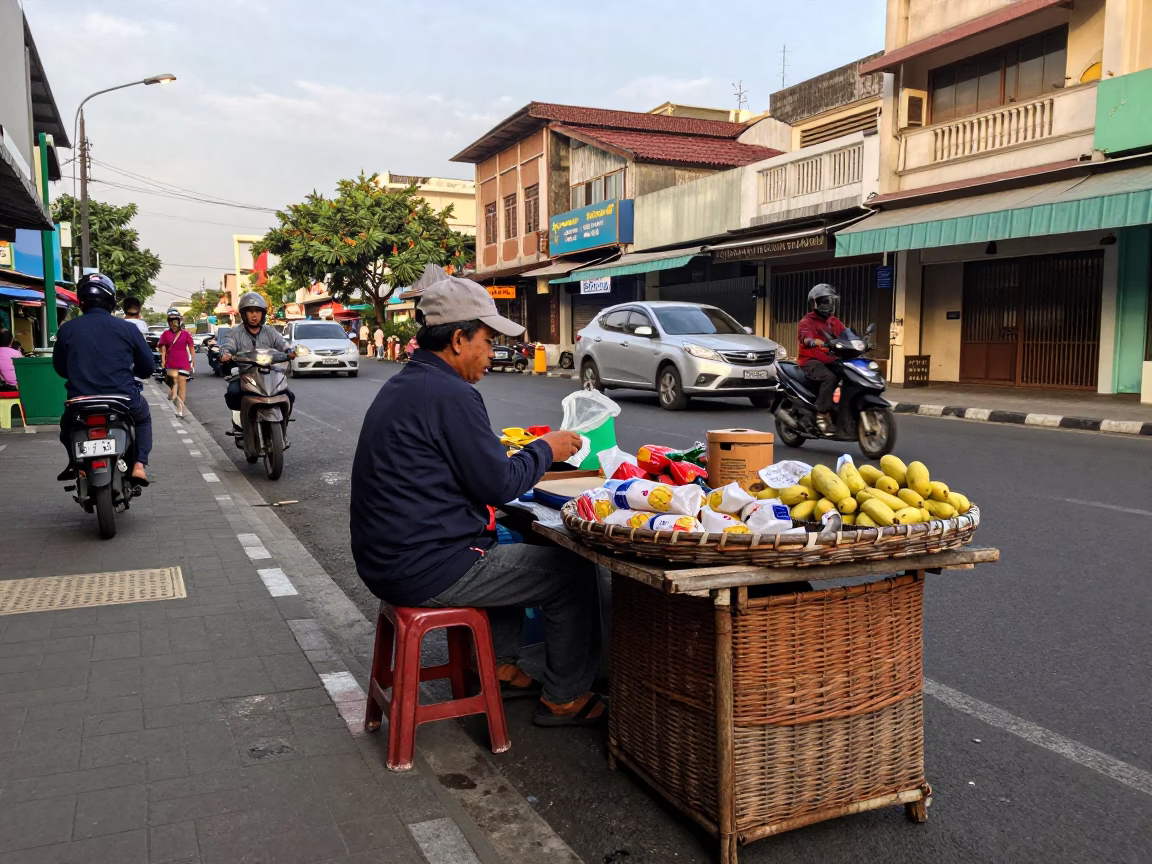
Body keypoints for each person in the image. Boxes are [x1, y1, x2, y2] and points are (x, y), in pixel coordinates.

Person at [350, 273, 605, 727]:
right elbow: (499, 484)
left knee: (505, 541)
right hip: (422, 565)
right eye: (487, 341)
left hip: (388, 557)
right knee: (572, 572)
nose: (492, 353)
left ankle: (502, 667)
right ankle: (565, 697)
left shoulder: (409, 383)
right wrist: (547, 449)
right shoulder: (451, 393)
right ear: (457, 339)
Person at [52, 273, 154, 485]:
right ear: (111, 300)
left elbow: (60, 369)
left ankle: (75, 463)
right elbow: (147, 368)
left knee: (66, 426)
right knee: (143, 418)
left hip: (80, 402)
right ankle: (139, 465)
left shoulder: (66, 330)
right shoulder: (128, 328)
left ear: (81, 301)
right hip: (123, 400)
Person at [218, 292, 294, 423]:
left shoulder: (270, 331)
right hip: (245, 374)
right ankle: (239, 423)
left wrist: (290, 351)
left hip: (269, 374)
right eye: (250, 311)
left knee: (289, 395)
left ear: (262, 314)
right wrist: (226, 353)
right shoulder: (234, 333)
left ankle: (283, 425)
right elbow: (227, 345)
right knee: (233, 394)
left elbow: (282, 343)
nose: (254, 315)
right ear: (244, 314)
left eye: (258, 311)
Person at [797, 283, 847, 435]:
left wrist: (859, 341)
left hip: (831, 359)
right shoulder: (806, 321)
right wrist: (812, 341)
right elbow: (804, 337)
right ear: (814, 303)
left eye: (830, 301)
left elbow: (846, 335)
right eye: (825, 301)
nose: (829, 305)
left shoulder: (834, 321)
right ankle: (822, 413)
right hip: (811, 360)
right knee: (829, 378)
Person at [158, 309, 194, 418]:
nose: (173, 322)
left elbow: (192, 348)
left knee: (181, 387)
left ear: (179, 321)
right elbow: (163, 350)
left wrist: (193, 363)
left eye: (175, 320)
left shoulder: (186, 334)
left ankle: (180, 411)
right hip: (170, 364)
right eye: (171, 320)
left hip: (183, 364)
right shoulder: (165, 334)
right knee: (173, 385)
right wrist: (163, 362)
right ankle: (171, 398)